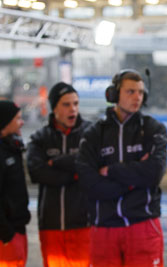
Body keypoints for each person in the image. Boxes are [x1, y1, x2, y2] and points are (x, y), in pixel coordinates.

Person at [76, 69, 167, 267]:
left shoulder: (154, 129)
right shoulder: (93, 134)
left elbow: (153, 173)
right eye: (130, 92)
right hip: (103, 229)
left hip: (143, 225)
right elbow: (88, 182)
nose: (137, 97)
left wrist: (111, 171)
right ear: (114, 94)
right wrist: (131, 182)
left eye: (141, 92)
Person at [27, 82, 91, 267]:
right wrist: (75, 175)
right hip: (51, 225)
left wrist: (55, 163)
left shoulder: (90, 134)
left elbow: (91, 163)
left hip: (84, 224)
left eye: (76, 104)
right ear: (54, 108)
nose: (73, 109)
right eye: (66, 104)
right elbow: (37, 173)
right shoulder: (40, 138)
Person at [0, 100, 31, 267]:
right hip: (6, 236)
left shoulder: (12, 149)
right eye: (18, 118)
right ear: (5, 123)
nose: (22, 122)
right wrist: (7, 235)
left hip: (17, 230)